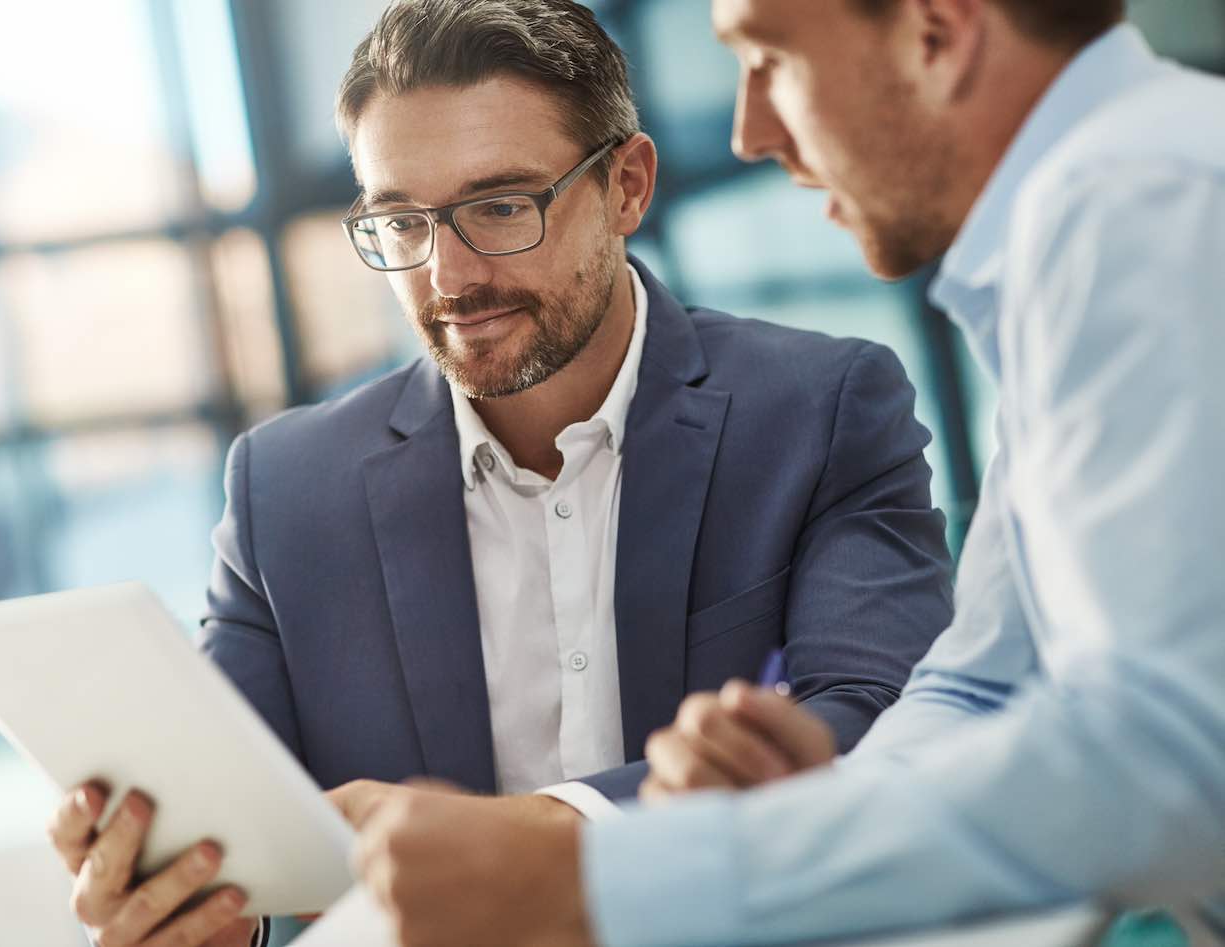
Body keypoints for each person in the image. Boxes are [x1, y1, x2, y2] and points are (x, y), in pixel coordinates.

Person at [42, 1, 960, 944]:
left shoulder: (820, 409)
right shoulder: (284, 491)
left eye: (498, 207)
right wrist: (193, 907)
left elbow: (885, 721)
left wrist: (544, 832)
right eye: (401, 220)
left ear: (627, 187)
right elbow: (236, 829)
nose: (448, 276)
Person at [344, 0, 1225, 944]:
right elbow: (982, 685)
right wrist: (810, 815)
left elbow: (1173, 760)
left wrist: (603, 875)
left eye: (770, 57)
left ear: (938, 30)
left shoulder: (1137, 198)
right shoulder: (1087, 223)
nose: (751, 131)